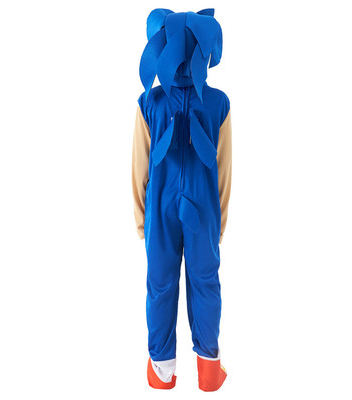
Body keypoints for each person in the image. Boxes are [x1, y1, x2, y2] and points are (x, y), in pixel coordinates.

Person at [131, 8, 232, 391]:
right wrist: (220, 220)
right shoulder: (215, 103)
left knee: (162, 282)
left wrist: (141, 217)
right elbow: (224, 167)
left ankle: (162, 371)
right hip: (201, 205)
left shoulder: (152, 102)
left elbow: (139, 165)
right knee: (203, 280)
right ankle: (208, 371)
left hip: (162, 203)